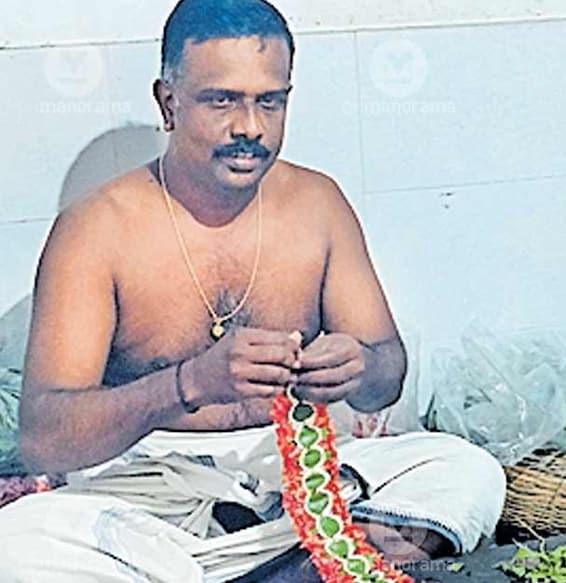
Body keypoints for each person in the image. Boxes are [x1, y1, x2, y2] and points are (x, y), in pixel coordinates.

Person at [0, 0, 504, 580]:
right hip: (145, 495)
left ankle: (283, 555)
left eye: (270, 100)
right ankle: (306, 560)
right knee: (18, 543)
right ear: (168, 103)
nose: (250, 128)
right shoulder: (96, 228)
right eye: (222, 101)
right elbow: (44, 440)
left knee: (466, 470)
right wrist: (190, 383)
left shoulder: (318, 205)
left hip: (295, 473)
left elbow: (386, 375)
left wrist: (359, 368)